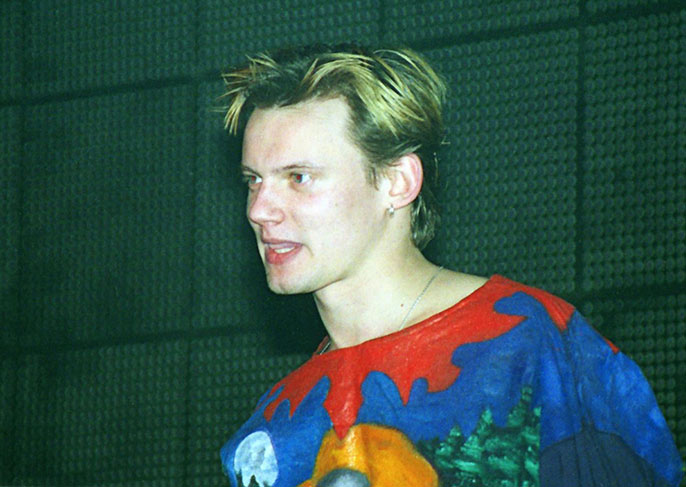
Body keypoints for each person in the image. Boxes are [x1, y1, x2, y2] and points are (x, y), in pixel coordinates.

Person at [218, 44, 682, 487]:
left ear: (398, 182)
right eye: (253, 181)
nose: (259, 210)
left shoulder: (526, 344)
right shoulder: (271, 428)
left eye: (298, 177)